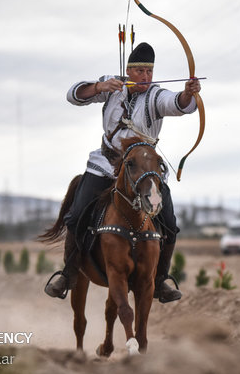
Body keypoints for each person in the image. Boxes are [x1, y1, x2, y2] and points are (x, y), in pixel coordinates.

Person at [45, 42, 201, 303]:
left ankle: (161, 279)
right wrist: (98, 87)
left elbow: (178, 104)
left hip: (142, 171)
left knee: (170, 224)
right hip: (105, 165)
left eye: (149, 72)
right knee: (75, 216)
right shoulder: (113, 86)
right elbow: (73, 96)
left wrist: (188, 93)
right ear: (129, 70)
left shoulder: (155, 96)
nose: (145, 77)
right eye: (139, 71)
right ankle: (69, 274)